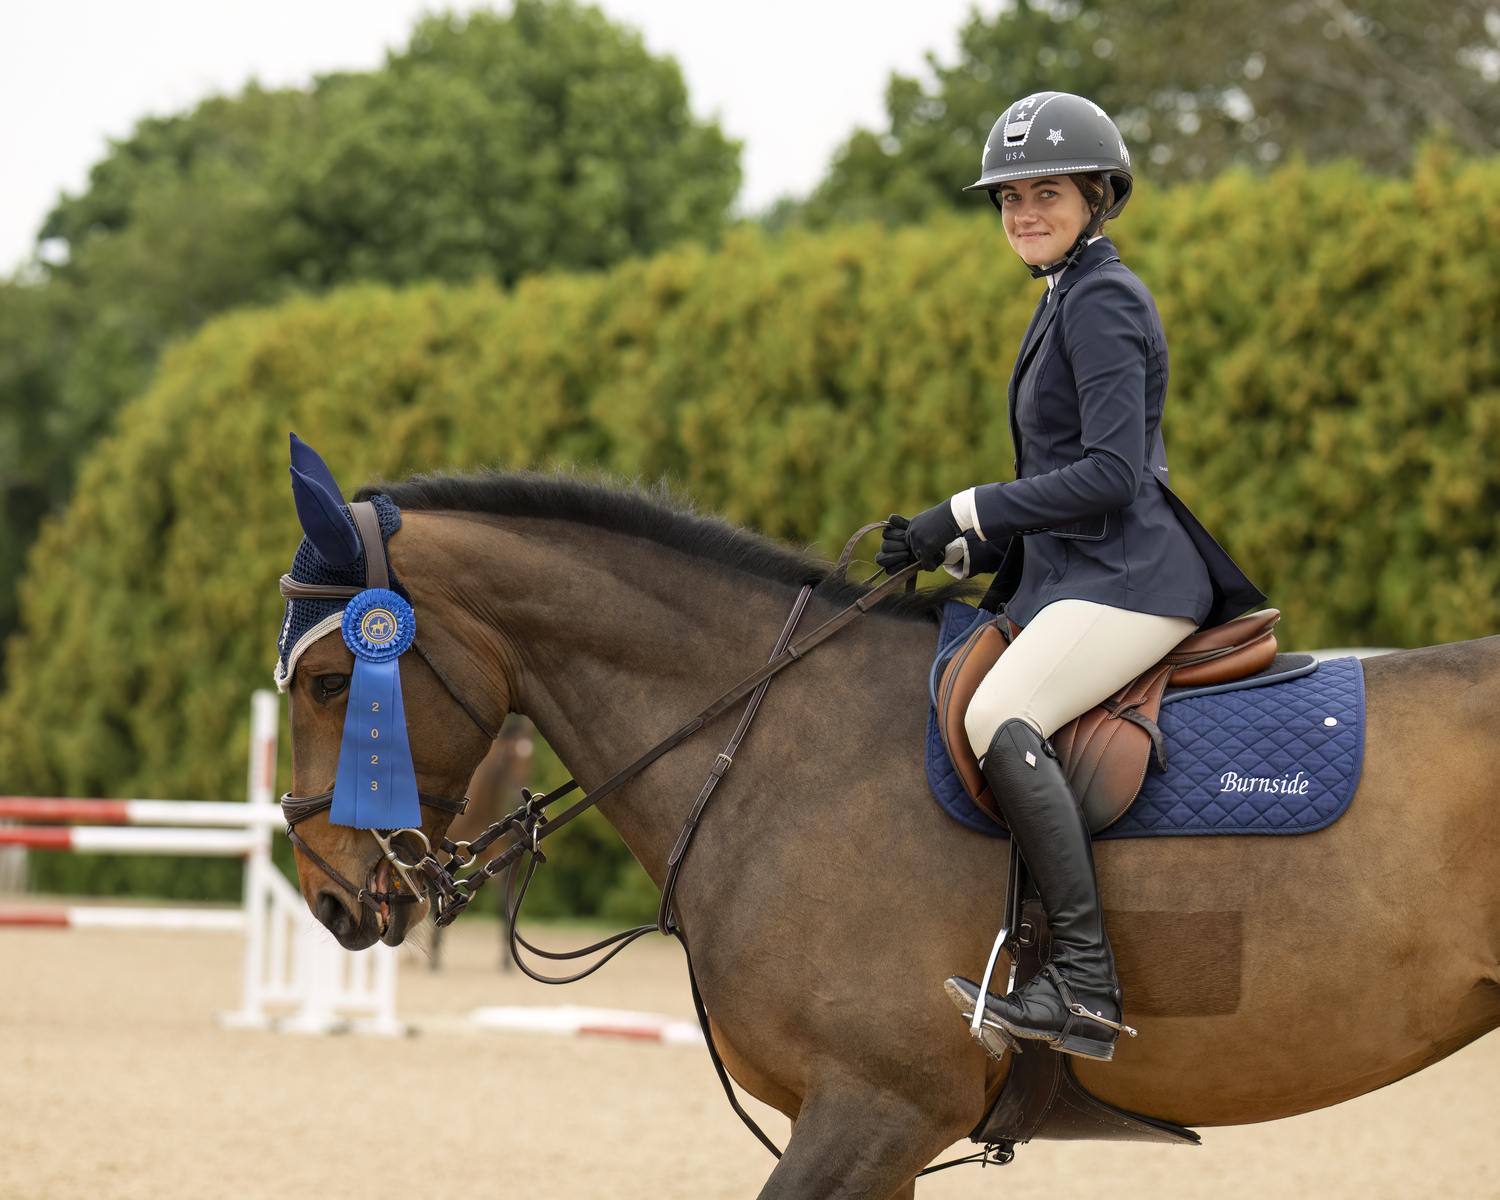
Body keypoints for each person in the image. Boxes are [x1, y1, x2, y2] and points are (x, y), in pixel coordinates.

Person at [876, 91, 1264, 1062]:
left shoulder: (1102, 301)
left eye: (1045, 192)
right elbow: (1065, 490)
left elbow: (1111, 476)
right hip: (1080, 571)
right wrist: (967, 552)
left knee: (997, 720)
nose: (1022, 213)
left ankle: (1084, 986)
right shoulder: (1064, 297)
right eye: (1008, 199)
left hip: (1134, 579)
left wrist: (965, 508)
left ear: (1098, 194)